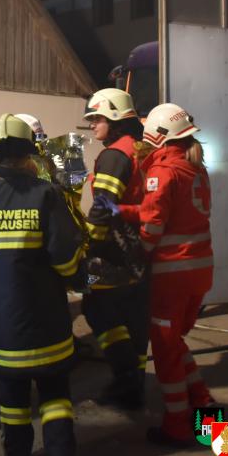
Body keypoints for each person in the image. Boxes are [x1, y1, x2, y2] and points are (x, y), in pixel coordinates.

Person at [0, 115, 86, 456]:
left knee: (13, 396)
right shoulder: (46, 194)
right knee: (55, 391)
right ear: (29, 155)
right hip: (48, 318)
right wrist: (82, 278)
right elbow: (66, 258)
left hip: (4, 322)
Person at [124, 103, 216, 448]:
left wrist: (137, 255)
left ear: (158, 135)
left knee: (165, 353)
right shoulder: (196, 168)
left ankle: (177, 426)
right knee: (175, 341)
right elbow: (170, 211)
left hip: (172, 276)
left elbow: (153, 225)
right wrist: (124, 210)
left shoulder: (162, 171)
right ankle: (205, 407)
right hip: (199, 270)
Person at [81, 87, 150, 408]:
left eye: (97, 118)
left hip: (110, 251)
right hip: (138, 249)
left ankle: (125, 379)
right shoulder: (139, 149)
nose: (92, 124)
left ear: (115, 118)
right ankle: (135, 384)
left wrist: (88, 245)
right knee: (134, 317)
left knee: (97, 309)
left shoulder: (113, 155)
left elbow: (104, 206)